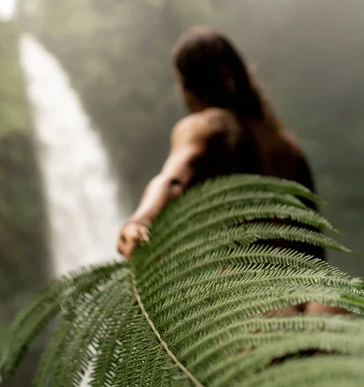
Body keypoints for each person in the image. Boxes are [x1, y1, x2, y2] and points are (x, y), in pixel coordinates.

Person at [117, 26, 340, 315]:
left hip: (250, 307)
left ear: (186, 85)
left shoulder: (207, 124)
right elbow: (313, 244)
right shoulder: (286, 145)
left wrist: (140, 219)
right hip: (310, 304)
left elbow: (172, 179)